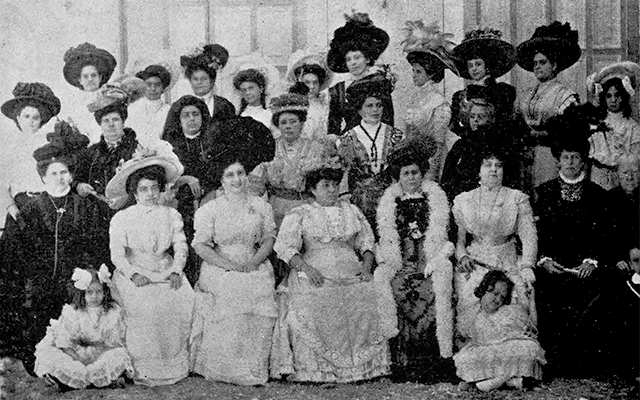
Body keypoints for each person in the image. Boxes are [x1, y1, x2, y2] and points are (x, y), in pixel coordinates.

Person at [270, 166, 398, 383]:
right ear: (313, 189)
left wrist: (366, 267)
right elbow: (286, 247)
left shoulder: (352, 210)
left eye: (334, 185)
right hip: (315, 268)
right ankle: (319, 370)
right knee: (313, 298)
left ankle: (364, 367)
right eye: (325, 186)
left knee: (367, 293)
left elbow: (366, 241)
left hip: (352, 268)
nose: (331, 190)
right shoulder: (300, 213)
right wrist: (307, 268)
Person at [0, 121, 107, 375]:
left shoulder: (84, 205)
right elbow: (15, 250)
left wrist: (88, 270)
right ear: (44, 177)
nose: (60, 177)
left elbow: (94, 242)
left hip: (74, 279)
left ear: (70, 174)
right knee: (38, 323)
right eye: (53, 173)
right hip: (40, 282)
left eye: (63, 172)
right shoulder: (31, 208)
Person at [532, 107, 612, 378]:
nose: (569, 162)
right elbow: (537, 234)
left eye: (575, 157)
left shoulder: (598, 195)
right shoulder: (543, 193)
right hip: (552, 265)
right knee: (547, 291)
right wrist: (544, 259)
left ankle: (584, 364)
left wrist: (591, 260)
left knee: (593, 292)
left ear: (583, 162)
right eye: (565, 157)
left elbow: (603, 235)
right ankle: (554, 362)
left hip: (585, 266)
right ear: (558, 161)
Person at [190, 157, 277, 386]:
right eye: (230, 175)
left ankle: (254, 366)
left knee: (259, 287)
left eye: (240, 173)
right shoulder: (210, 209)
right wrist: (229, 265)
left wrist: (253, 262)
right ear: (221, 181)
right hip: (220, 264)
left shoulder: (260, 205)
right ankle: (229, 366)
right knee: (233, 288)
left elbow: (269, 238)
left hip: (253, 260)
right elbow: (201, 246)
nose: (237, 179)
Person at [108, 154, 194, 386]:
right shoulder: (122, 218)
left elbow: (180, 245)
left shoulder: (171, 214)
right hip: (134, 270)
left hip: (165, 267)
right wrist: (133, 274)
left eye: (154, 188)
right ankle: (145, 367)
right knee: (145, 302)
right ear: (134, 193)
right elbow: (117, 255)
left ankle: (174, 364)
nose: (150, 194)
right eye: (144, 189)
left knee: (180, 295)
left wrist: (177, 270)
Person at [375, 139, 455, 382]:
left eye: (415, 172)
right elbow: (384, 239)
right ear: (399, 176)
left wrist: (438, 257)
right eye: (406, 173)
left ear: (422, 173)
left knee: (434, 286)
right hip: (403, 262)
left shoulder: (435, 200)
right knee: (396, 285)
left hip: (428, 259)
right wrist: (388, 261)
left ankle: (438, 359)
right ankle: (402, 362)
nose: (411, 177)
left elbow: (448, 239)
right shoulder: (390, 203)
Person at [452, 147, 538, 341]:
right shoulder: (463, 200)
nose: (493, 170)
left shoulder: (517, 198)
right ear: (478, 169)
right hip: (475, 261)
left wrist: (527, 265)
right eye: (487, 165)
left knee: (518, 300)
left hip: (507, 260)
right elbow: (459, 240)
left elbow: (529, 235)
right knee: (470, 300)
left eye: (498, 166)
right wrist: (463, 256)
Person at [34, 266, 133, 391]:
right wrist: (77, 360)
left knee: (120, 354)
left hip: (100, 353)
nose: (94, 296)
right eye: (89, 292)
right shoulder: (73, 312)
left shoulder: (112, 312)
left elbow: (113, 343)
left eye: (98, 292)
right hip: (76, 353)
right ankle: (75, 378)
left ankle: (97, 378)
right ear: (82, 293)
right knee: (49, 354)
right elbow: (65, 342)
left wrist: (97, 358)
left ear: (104, 292)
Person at [454, 270, 545, 392]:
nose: (497, 299)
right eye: (495, 293)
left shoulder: (508, 311)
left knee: (529, 347)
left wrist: (531, 301)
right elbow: (464, 338)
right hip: (484, 351)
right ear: (485, 290)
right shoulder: (472, 312)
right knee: (468, 358)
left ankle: (483, 385)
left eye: (502, 297)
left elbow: (532, 327)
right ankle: (514, 382)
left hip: (506, 350)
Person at [517, 21, 582, 189]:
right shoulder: (527, 94)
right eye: (535, 63)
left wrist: (539, 134)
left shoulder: (565, 95)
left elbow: (568, 133)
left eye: (542, 62)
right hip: (525, 154)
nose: (537, 67)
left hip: (549, 155)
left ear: (554, 65)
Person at [250, 92, 327, 228]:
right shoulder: (268, 147)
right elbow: (256, 185)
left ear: (302, 123)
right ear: (278, 125)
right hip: (276, 208)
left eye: (293, 121)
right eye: (283, 122)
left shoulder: (317, 148)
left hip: (307, 208)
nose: (288, 126)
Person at [337, 73, 403, 232]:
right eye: (369, 106)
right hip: (360, 198)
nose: (375, 110)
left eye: (379, 105)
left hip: (390, 196)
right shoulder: (348, 137)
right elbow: (344, 173)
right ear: (359, 109)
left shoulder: (395, 135)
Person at [441, 86, 524, 202]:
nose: (475, 120)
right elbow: (447, 178)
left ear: (490, 119)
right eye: (472, 116)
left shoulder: (498, 144)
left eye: (480, 117)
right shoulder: (460, 145)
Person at [401, 20, 459, 181]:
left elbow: (438, 145)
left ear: (431, 73)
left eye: (419, 71)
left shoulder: (439, 103)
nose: (414, 75)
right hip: (413, 159)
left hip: (430, 161)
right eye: (413, 71)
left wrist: (431, 173)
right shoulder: (416, 98)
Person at [1, 82, 61, 226]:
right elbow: (2, 186)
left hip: (46, 208)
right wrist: (15, 213)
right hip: (20, 208)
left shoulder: (49, 145)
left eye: (35, 117)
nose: (31, 122)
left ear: (41, 120)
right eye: (26, 116)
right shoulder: (9, 147)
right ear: (18, 118)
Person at [327, 12, 393, 136]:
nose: (353, 63)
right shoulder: (339, 89)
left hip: (377, 140)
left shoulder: (379, 82)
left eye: (357, 57)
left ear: (367, 58)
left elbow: (388, 119)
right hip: (349, 144)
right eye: (349, 59)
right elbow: (333, 125)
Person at [450, 28, 517, 135]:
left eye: (478, 64)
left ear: (487, 66)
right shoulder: (460, 96)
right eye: (470, 65)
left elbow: (506, 123)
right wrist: (467, 135)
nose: (474, 69)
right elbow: (453, 125)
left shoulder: (502, 91)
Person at [587, 61, 640, 190]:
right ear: (604, 98)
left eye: (617, 95)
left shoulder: (632, 126)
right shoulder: (596, 123)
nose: (613, 100)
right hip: (597, 175)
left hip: (621, 176)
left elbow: (635, 157)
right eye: (609, 96)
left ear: (624, 97)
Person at [62, 42, 117, 145]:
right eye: (86, 76)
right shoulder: (74, 104)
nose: (90, 79)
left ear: (100, 78)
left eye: (93, 75)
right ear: (80, 80)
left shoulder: (110, 96)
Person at [285, 50, 333, 143]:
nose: (311, 87)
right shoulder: (292, 106)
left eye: (315, 82)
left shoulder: (325, 106)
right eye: (307, 82)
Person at [179, 45, 236, 120]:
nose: (210, 65)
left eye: (216, 62)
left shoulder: (222, 85)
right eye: (210, 60)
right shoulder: (185, 84)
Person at [127, 64, 173, 147]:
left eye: (157, 85)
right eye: (149, 85)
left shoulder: (169, 111)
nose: (153, 89)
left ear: (163, 87)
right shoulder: (133, 108)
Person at [233, 68, 275, 133]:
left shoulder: (270, 115)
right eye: (244, 90)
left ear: (261, 88)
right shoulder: (240, 117)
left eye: (251, 88)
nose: (247, 93)